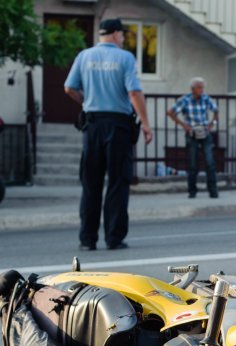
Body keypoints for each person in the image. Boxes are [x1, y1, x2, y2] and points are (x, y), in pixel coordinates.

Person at [64, 18, 153, 251]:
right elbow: (134, 93)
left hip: (92, 125)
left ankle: (87, 240)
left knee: (91, 183)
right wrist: (146, 123)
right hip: (118, 126)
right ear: (115, 34)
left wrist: (87, 102)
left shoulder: (84, 56)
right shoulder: (125, 58)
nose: (123, 39)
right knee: (117, 182)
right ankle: (114, 238)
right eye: (122, 35)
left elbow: (69, 88)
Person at [167, 77, 220, 198]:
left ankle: (213, 191)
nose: (202, 90)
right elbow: (170, 112)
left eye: (202, 87)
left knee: (210, 162)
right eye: (199, 87)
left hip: (205, 132)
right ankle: (192, 192)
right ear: (193, 89)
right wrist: (183, 125)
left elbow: (216, 110)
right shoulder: (185, 100)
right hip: (191, 133)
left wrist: (213, 124)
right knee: (192, 164)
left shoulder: (206, 98)